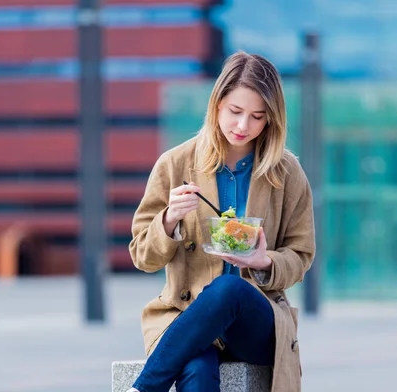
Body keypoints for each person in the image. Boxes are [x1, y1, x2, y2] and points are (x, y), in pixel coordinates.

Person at [127, 51, 315, 392]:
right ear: (216, 104)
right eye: (235, 112)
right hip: (185, 315)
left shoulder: (286, 172)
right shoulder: (175, 164)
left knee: (229, 290)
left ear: (271, 119)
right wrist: (168, 220)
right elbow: (142, 256)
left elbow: (301, 255)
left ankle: (143, 388)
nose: (244, 126)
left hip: (255, 323)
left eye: (257, 117)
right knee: (196, 370)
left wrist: (264, 261)